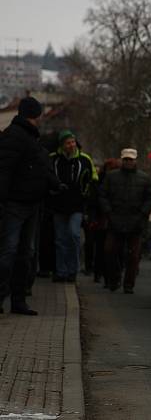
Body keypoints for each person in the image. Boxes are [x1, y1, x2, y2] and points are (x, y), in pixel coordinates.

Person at [0, 97, 61, 315]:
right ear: (33, 115)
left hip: (31, 204)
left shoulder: (29, 138)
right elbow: (4, 171)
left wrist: (55, 184)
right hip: (15, 204)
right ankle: (8, 298)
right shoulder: (15, 137)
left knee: (23, 254)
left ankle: (18, 300)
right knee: (10, 252)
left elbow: (39, 169)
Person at [99, 148, 151, 293]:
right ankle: (113, 279)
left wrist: (142, 214)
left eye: (131, 159)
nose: (128, 162)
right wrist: (109, 212)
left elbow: (150, 199)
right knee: (110, 251)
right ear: (122, 160)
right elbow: (102, 195)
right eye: (126, 159)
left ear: (135, 160)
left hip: (135, 222)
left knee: (133, 255)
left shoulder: (144, 178)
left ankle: (128, 284)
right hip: (115, 220)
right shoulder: (111, 177)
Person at [49, 130, 97, 283]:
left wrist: (87, 196)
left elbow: (93, 179)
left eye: (73, 142)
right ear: (62, 145)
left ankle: (73, 270)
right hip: (58, 205)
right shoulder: (53, 159)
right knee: (60, 239)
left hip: (77, 205)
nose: (71, 145)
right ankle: (61, 271)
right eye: (68, 143)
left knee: (74, 235)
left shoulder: (84, 159)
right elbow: (46, 176)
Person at [85, 158, 120, 285]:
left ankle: (105, 274)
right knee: (102, 248)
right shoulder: (99, 182)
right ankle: (100, 273)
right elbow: (93, 201)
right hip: (102, 218)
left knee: (106, 248)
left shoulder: (104, 182)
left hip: (109, 218)